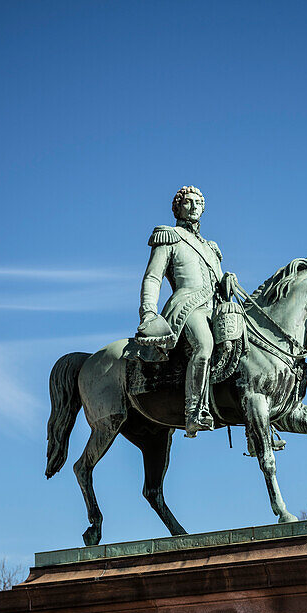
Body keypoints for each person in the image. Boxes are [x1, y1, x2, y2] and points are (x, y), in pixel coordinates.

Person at [135, 185, 238, 438]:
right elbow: (153, 277)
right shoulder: (169, 236)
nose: (193, 207)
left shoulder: (212, 247)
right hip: (187, 306)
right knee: (204, 345)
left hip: (215, 308)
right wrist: (148, 311)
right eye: (188, 202)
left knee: (246, 345)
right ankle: (194, 412)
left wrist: (226, 284)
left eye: (198, 203)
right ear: (177, 207)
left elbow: (216, 285)